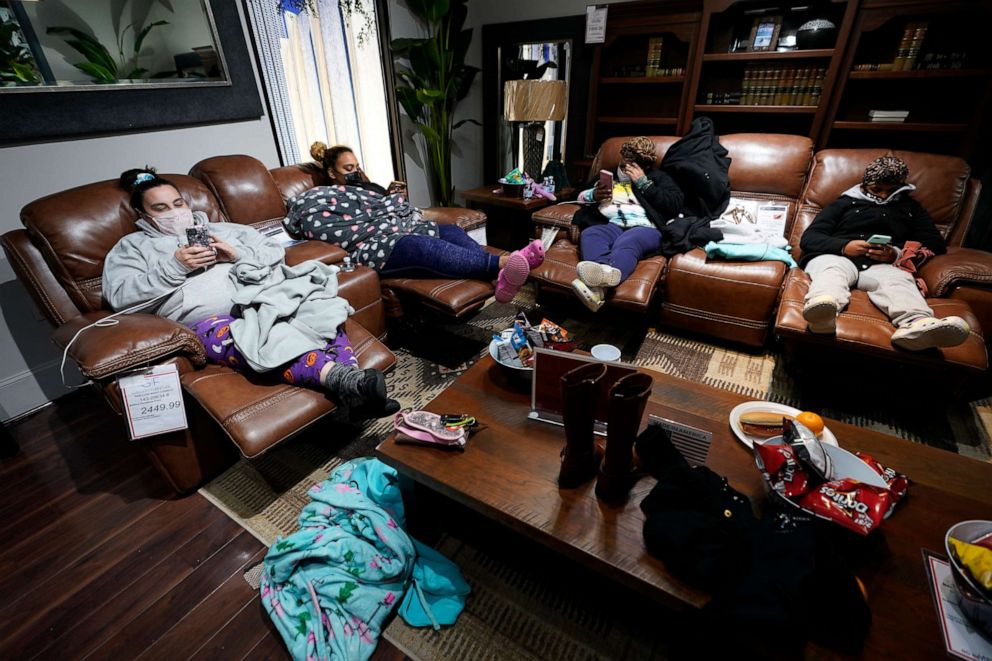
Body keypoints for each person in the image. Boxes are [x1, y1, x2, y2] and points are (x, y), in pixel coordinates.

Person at [102, 167, 399, 418]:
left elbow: (272, 251)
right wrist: (174, 266)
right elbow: (119, 297)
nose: (175, 213)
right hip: (210, 321)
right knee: (255, 337)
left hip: (265, 296)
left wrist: (237, 254)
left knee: (321, 311)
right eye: (161, 208)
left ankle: (356, 392)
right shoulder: (132, 248)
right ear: (144, 215)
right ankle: (347, 381)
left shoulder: (228, 229)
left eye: (178, 203)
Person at [284, 142, 545, 304]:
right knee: (418, 245)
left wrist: (396, 203)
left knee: (450, 229)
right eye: (348, 169)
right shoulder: (318, 196)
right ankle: (504, 262)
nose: (355, 173)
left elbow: (388, 208)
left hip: (400, 228)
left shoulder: (367, 188)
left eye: (357, 167)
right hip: (374, 246)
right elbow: (319, 224)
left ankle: (502, 275)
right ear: (331, 172)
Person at [799, 155, 970, 351]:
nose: (882, 196)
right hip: (837, 256)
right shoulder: (844, 203)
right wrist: (844, 246)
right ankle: (822, 315)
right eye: (876, 190)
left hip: (881, 265)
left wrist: (895, 253)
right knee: (832, 271)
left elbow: (935, 243)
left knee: (898, 280)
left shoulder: (910, 208)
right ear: (864, 185)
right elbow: (809, 238)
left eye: (890, 190)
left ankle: (917, 326)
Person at [570, 136, 684, 311]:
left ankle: (606, 277)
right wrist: (593, 195)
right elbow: (577, 196)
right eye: (624, 163)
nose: (627, 168)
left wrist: (644, 183)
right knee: (591, 233)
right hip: (611, 224)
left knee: (628, 241)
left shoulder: (657, 177)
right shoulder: (607, 175)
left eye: (634, 164)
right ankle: (600, 281)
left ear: (645, 164)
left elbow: (674, 204)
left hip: (645, 227)